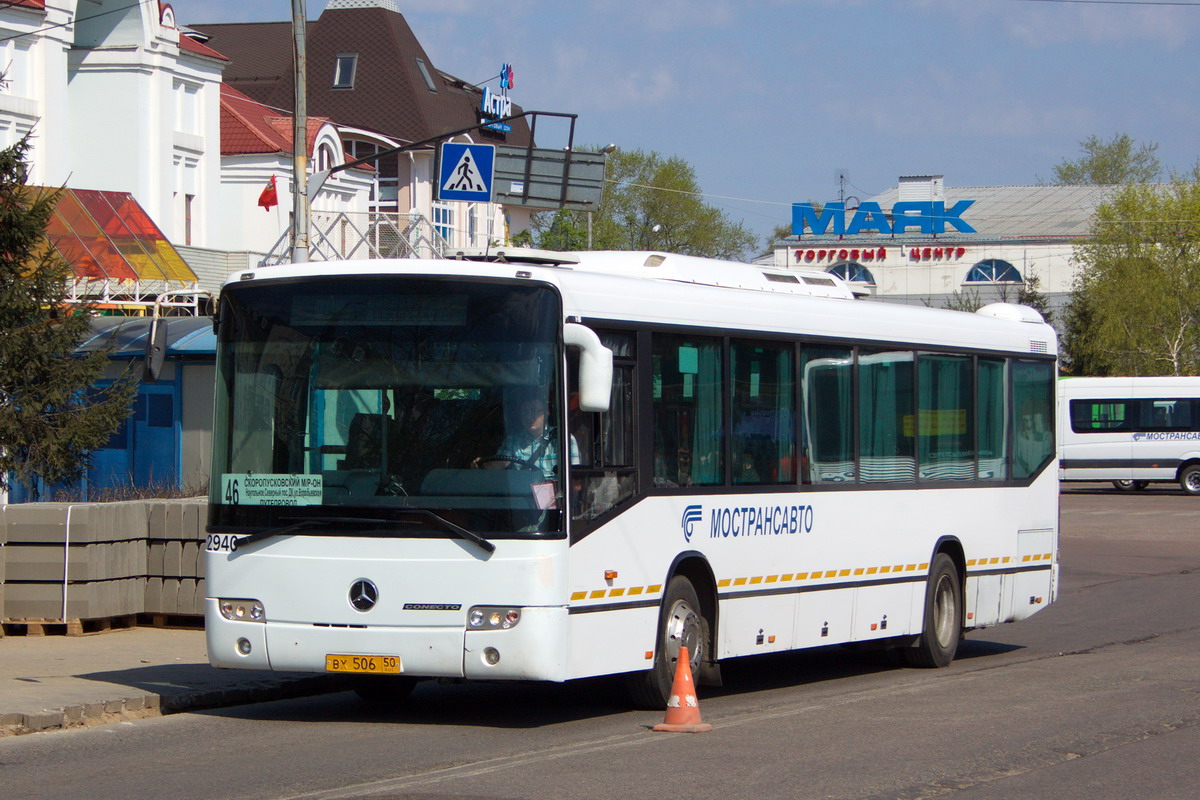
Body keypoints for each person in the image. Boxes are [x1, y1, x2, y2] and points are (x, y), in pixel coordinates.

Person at [481, 395, 579, 478]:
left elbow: (575, 480)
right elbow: (500, 464)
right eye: (525, 412)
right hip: (521, 496)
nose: (529, 416)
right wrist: (482, 464)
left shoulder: (564, 439)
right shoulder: (513, 440)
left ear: (546, 412)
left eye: (534, 411)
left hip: (555, 498)